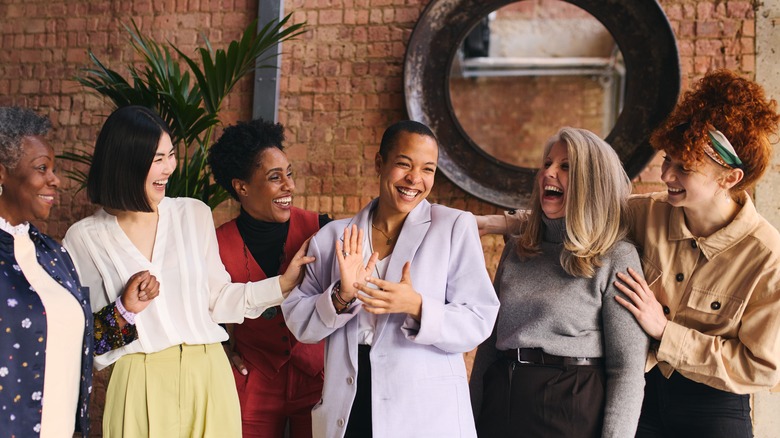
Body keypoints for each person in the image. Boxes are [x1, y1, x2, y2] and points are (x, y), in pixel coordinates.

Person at [62, 105, 314, 437]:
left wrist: (282, 284)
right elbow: (87, 342)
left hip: (208, 374)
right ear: (126, 162)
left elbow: (219, 299)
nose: (169, 168)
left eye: (170, 155)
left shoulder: (192, 215)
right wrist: (125, 309)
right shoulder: (84, 238)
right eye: (157, 160)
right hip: (139, 381)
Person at [282, 120, 500, 438]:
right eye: (403, 164)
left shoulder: (453, 227)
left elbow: (478, 319)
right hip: (350, 402)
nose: (415, 179)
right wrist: (340, 296)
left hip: (424, 411)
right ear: (379, 163)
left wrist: (417, 306)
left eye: (428, 169)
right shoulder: (333, 238)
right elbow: (300, 324)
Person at [613, 69, 780, 437]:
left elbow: (761, 367)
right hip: (641, 392)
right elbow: (584, 219)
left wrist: (665, 331)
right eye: (668, 159)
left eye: (684, 168)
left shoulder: (768, 257)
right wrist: (495, 224)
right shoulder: (647, 213)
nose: (666, 175)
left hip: (714, 405)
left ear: (729, 178)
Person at [469, 127, 649, 438]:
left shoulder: (617, 257)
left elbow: (627, 372)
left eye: (566, 167)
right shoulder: (518, 246)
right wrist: (466, 422)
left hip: (570, 410)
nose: (548, 173)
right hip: (501, 404)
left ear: (591, 182)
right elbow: (487, 348)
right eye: (547, 163)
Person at [207, 118, 329, 438]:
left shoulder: (320, 228)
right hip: (254, 379)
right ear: (241, 186)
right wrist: (221, 349)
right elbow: (200, 309)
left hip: (316, 377)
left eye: (289, 174)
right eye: (275, 177)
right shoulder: (216, 243)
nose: (289, 186)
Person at [0, 107, 93, 436]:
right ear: (2, 174)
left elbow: (80, 344)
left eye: (54, 169)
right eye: (42, 168)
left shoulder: (54, 255)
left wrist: (126, 312)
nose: (55, 180)